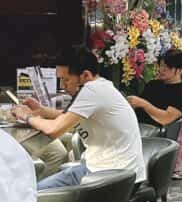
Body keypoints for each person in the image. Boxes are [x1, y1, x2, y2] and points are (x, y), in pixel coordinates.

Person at [14, 46, 145, 189]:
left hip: (111, 179)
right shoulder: (101, 86)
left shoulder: (92, 90)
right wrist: (42, 111)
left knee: (33, 194)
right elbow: (69, 116)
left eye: (66, 80)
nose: (63, 86)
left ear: (86, 75)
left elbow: (54, 129)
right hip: (111, 172)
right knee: (38, 189)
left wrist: (27, 116)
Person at [128, 49, 182, 129]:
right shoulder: (153, 84)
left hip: (154, 131)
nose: (161, 70)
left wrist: (144, 104)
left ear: (180, 70)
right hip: (135, 125)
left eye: (167, 67)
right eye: (161, 65)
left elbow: (166, 118)